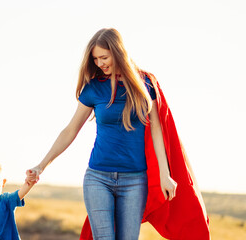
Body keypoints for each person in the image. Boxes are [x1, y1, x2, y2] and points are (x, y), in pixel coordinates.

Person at [26, 28, 177, 240]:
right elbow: (70, 130)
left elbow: (157, 130)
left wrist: (164, 174)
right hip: (98, 178)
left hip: (135, 180)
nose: (100, 63)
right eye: (95, 59)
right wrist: (41, 165)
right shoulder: (94, 88)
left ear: (118, 52)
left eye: (104, 57)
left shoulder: (146, 84)